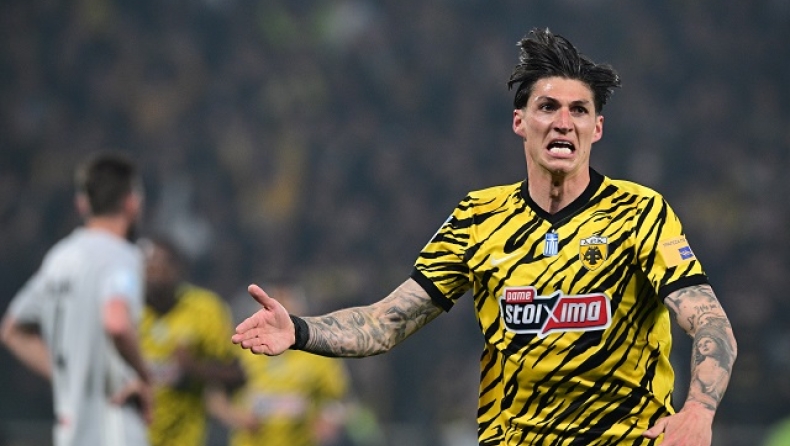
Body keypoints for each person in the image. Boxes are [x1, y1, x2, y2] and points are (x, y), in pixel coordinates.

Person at [232, 28, 738, 445]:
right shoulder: (478, 217)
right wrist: (300, 330)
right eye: (548, 107)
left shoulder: (640, 212)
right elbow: (387, 322)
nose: (564, 122)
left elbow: (711, 321)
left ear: (597, 128)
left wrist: (698, 411)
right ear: (520, 121)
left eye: (579, 110)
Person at [0, 152, 152, 446]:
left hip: (70, 431)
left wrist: (70, 376)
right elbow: (117, 322)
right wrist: (145, 377)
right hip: (114, 426)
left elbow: (12, 330)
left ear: (82, 204)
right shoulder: (121, 256)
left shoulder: (59, 258)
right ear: (131, 202)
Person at [208, 282, 352, 446]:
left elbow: (339, 400)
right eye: (271, 308)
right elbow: (214, 394)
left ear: (301, 311)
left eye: (286, 307)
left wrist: (327, 420)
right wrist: (235, 417)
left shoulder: (318, 354)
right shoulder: (243, 350)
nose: (278, 317)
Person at [138, 235, 244, 446]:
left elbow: (238, 375)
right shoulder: (125, 310)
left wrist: (195, 369)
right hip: (129, 436)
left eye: (157, 269)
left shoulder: (205, 309)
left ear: (176, 269)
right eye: (145, 269)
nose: (150, 277)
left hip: (186, 439)